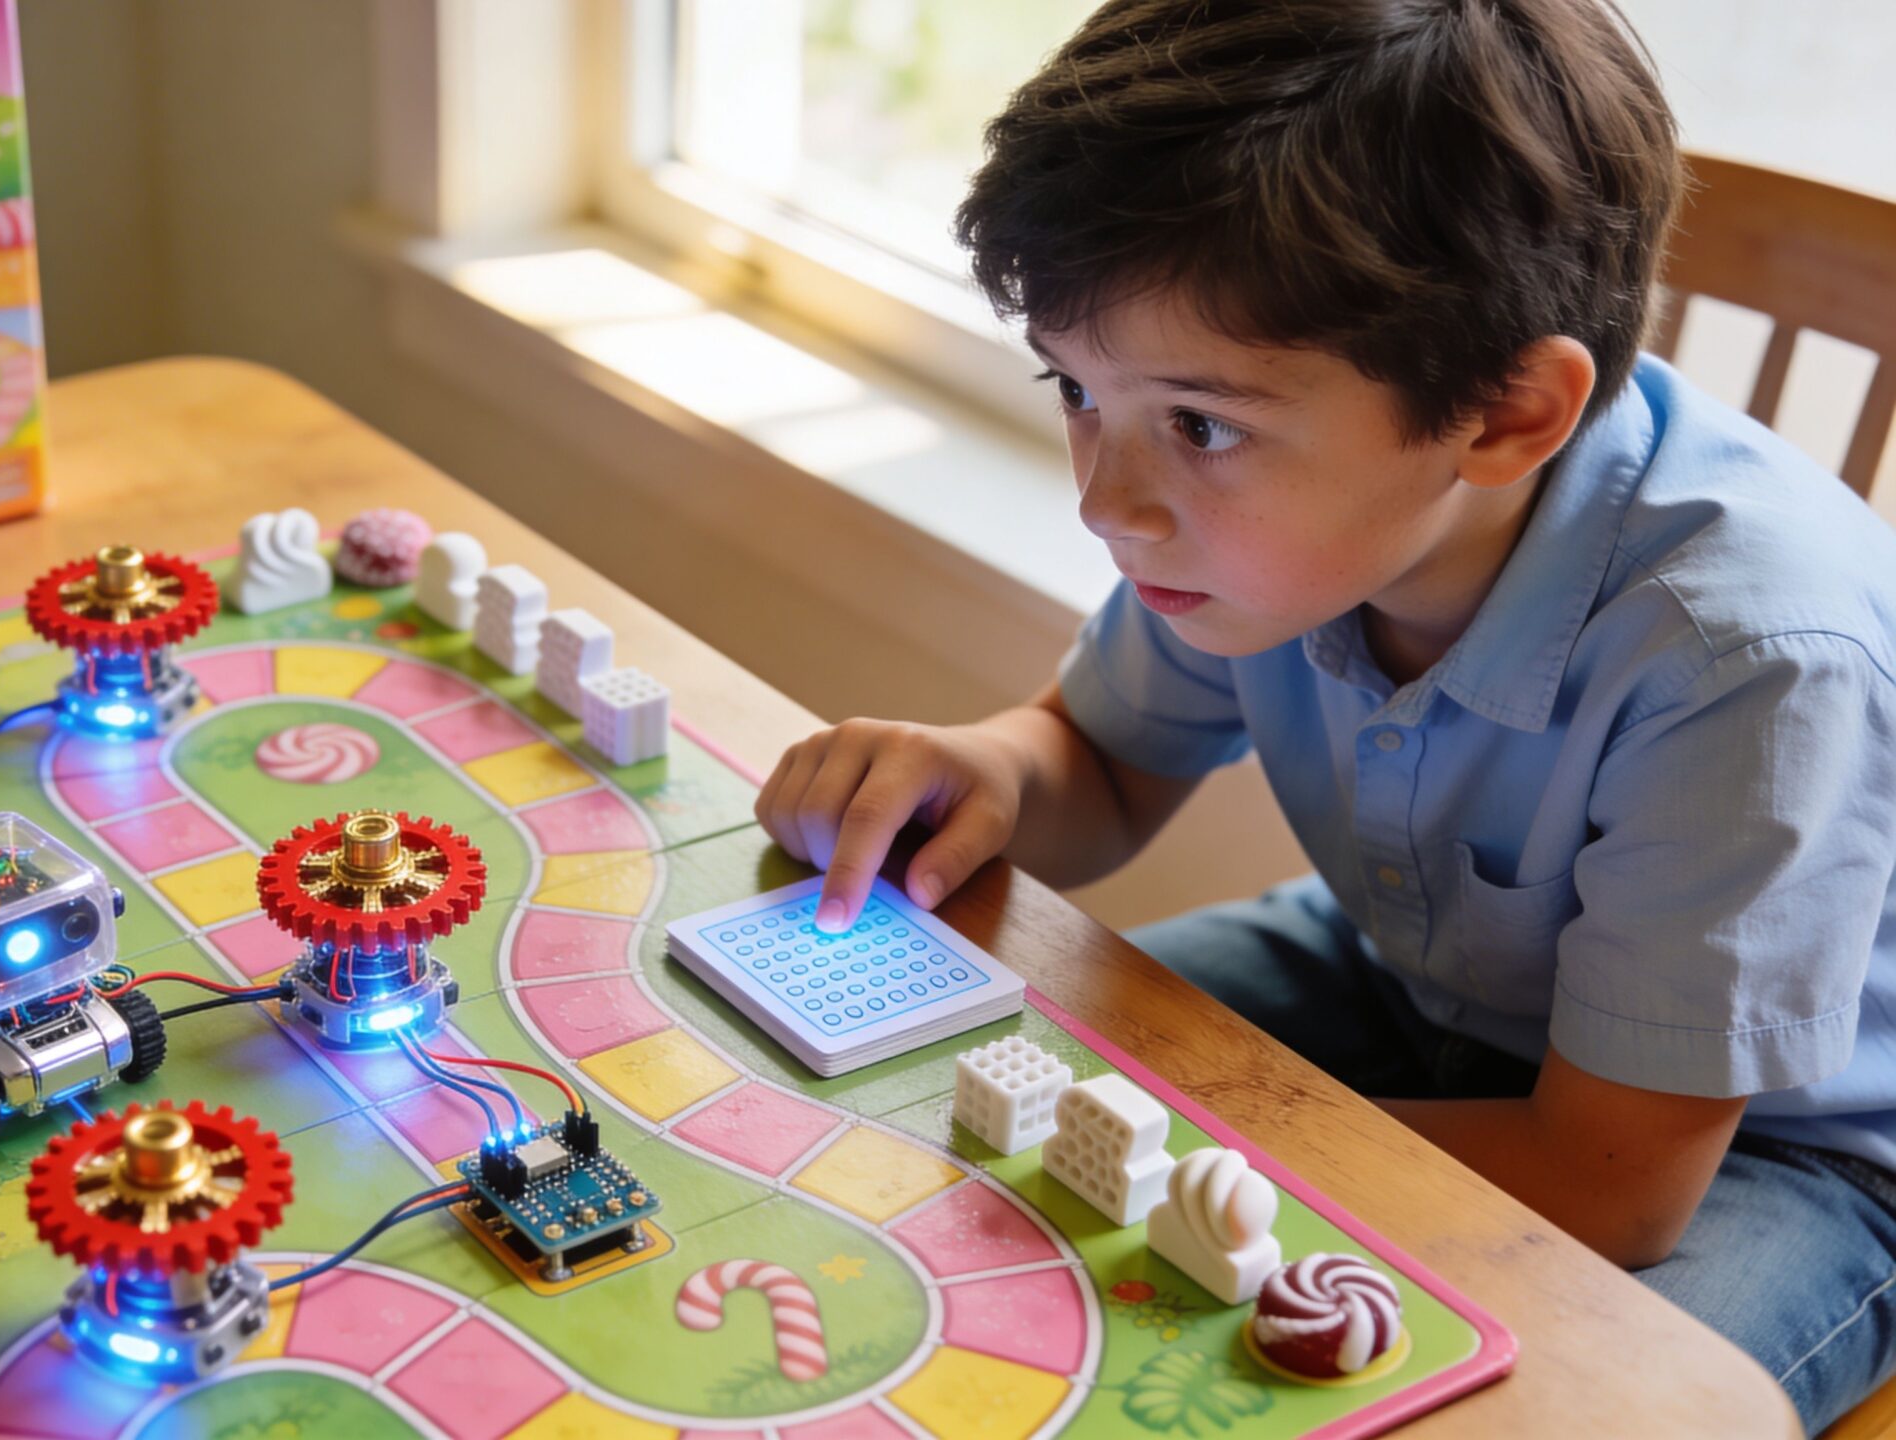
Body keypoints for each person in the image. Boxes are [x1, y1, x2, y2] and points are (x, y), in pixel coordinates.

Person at [757, 1, 1896, 1429]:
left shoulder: (1751, 661)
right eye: (1076, 388)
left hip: (1764, 1155)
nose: (1106, 501)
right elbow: (1102, 768)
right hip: (1402, 970)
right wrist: (982, 768)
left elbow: (1613, 1187)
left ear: (1505, 415)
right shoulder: (1261, 541)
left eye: (1202, 424)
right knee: (952, 1087)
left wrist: (1170, 1136)